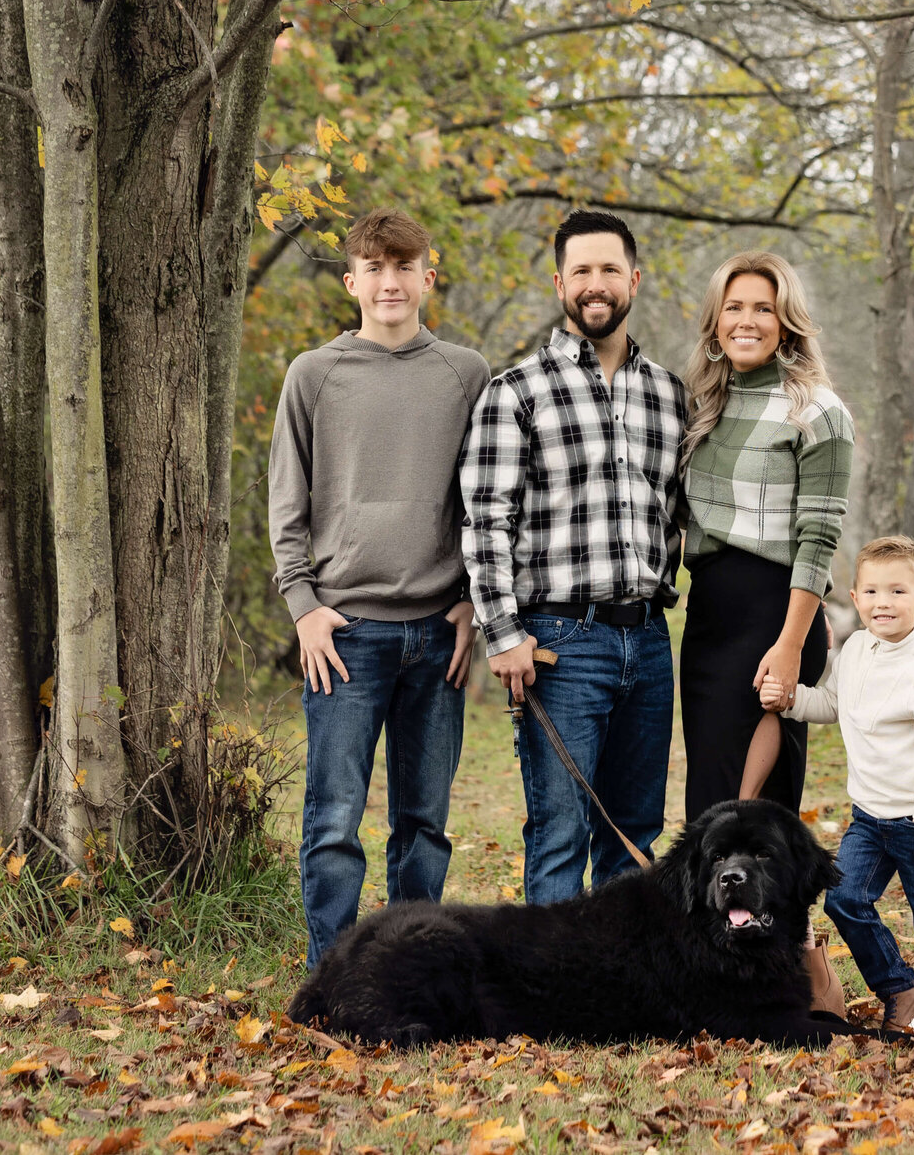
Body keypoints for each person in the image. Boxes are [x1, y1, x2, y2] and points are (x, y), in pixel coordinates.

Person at [269, 207, 489, 964]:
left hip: (439, 632)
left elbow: (485, 504)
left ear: (429, 276)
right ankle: (332, 973)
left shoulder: (466, 374)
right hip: (346, 635)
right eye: (375, 267)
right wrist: (304, 608)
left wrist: (473, 606)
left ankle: (410, 967)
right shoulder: (314, 373)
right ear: (351, 280)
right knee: (333, 818)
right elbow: (286, 502)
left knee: (423, 820)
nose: (389, 281)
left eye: (405, 266)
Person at [460, 206, 684, 904]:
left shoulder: (670, 396)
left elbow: (675, 514)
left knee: (634, 831)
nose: (596, 283)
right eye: (581, 269)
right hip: (560, 642)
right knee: (560, 829)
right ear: (560, 283)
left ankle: (615, 1000)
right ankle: (549, 1008)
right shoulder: (516, 391)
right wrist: (503, 632)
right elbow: (485, 518)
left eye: (609, 269)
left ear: (634, 279)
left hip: (648, 641)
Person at [764, 533, 914, 1040]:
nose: (884, 603)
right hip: (869, 820)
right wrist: (787, 700)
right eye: (872, 592)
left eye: (898, 592)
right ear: (854, 599)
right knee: (843, 899)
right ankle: (902, 991)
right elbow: (832, 704)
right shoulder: (853, 649)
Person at [678, 252, 854, 821]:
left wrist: (789, 643)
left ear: (787, 323)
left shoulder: (817, 411)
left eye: (763, 308)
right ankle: (711, 914)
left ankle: (769, 912)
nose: (746, 320)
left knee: (742, 807)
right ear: (716, 320)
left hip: (776, 617)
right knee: (709, 786)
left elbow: (819, 537)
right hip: (708, 619)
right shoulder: (707, 403)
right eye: (734, 307)